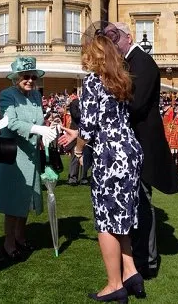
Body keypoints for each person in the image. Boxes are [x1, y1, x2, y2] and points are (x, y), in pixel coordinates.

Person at [58, 32, 145, 303]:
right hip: (128, 149)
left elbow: (90, 124)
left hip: (109, 155)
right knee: (123, 217)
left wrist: (80, 149)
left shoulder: (94, 82)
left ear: (93, 54)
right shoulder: (120, 80)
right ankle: (131, 273)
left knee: (106, 220)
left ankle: (114, 284)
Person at [108, 22, 178, 280]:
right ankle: (137, 259)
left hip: (143, 144)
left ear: (127, 38)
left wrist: (108, 115)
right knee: (135, 202)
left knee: (141, 203)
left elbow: (135, 105)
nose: (111, 44)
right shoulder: (132, 62)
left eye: (114, 38)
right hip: (135, 143)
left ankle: (146, 263)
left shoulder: (142, 62)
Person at [0, 56, 57, 260]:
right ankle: (8, 243)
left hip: (30, 154)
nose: (29, 80)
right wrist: (37, 129)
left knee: (26, 200)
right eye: (25, 77)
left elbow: (38, 120)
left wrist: (47, 129)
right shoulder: (7, 95)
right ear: (15, 78)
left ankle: (20, 237)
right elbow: (11, 123)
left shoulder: (36, 96)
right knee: (13, 203)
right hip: (13, 156)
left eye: (32, 76)